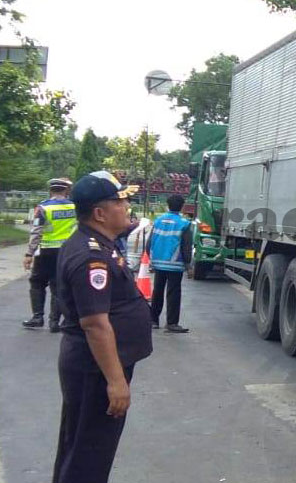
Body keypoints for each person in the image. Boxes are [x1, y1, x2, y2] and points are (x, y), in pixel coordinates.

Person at [53, 171, 152, 483]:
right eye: (120, 201)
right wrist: (116, 381)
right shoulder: (90, 256)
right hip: (95, 370)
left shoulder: (100, 244)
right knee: (90, 453)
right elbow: (95, 324)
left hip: (96, 366)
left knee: (84, 447)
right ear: (99, 213)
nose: (126, 206)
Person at [22, 178, 75, 332]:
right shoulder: (74, 207)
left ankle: (38, 317)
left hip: (46, 250)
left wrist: (29, 253)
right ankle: (54, 322)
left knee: (37, 282)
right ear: (66, 191)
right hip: (65, 251)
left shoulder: (43, 208)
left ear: (51, 190)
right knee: (58, 285)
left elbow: (36, 231)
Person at [145, 195, 192, 333]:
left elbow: (149, 243)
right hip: (175, 264)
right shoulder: (184, 223)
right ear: (182, 206)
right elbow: (186, 247)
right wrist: (188, 265)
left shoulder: (158, 221)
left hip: (158, 263)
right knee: (173, 293)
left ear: (167, 205)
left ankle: (153, 320)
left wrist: (151, 259)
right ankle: (171, 323)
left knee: (157, 291)